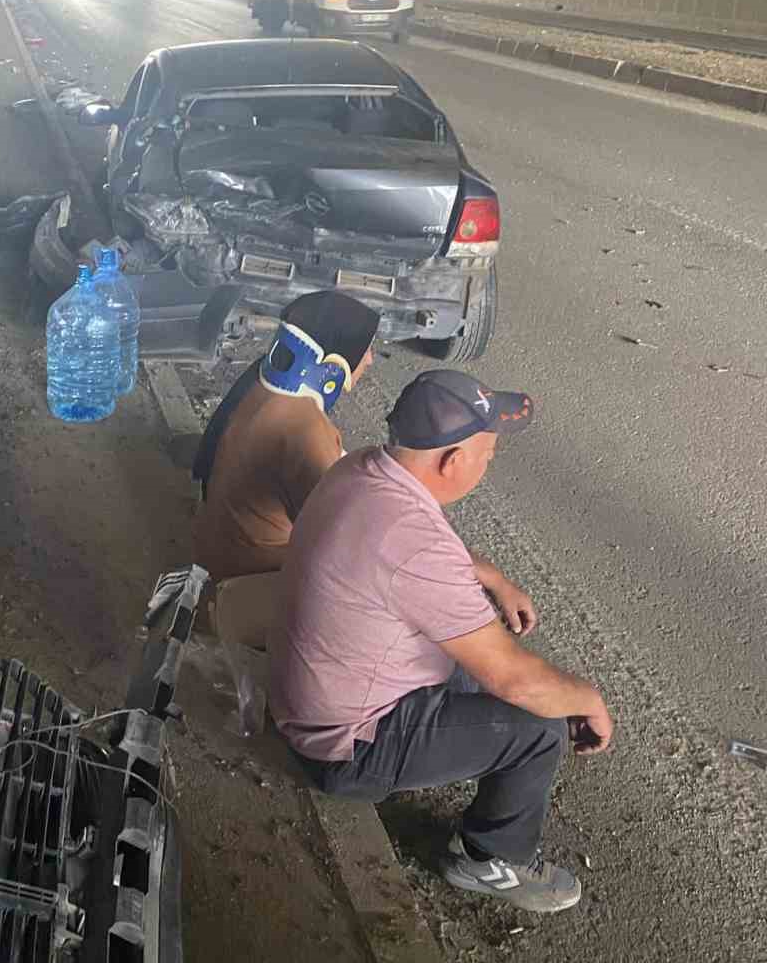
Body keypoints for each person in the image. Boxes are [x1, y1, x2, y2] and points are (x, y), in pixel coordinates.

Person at [272, 369, 614, 913]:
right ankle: (490, 860)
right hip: (347, 748)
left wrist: (492, 577)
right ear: (453, 461)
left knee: (492, 665)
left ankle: (485, 772)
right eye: (490, 452)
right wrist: (589, 699)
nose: (490, 462)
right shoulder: (412, 546)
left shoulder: (364, 469)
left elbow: (414, 549)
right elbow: (513, 677)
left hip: (317, 695)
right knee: (541, 725)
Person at [190, 292, 380, 652]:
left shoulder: (262, 385)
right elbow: (342, 543)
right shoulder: (304, 430)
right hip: (242, 587)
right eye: (365, 349)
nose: (369, 359)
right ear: (333, 357)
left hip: (216, 557)